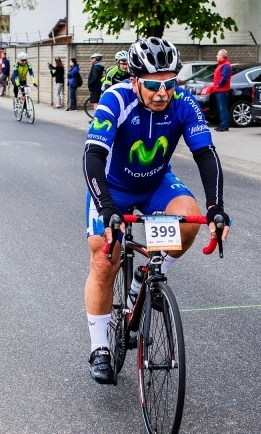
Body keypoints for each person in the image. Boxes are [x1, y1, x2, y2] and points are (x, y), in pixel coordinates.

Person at [83, 37, 231, 384]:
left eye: (169, 82)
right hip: (113, 188)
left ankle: (148, 274)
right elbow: (92, 156)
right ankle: (100, 346)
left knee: (190, 217)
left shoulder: (183, 103)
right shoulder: (115, 99)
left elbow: (205, 154)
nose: (162, 92)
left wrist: (216, 207)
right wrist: (106, 207)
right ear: (135, 81)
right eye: (152, 85)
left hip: (155, 184)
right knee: (105, 259)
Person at [211, 49, 231, 131]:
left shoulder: (225, 65)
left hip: (222, 90)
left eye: (218, 55)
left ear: (222, 56)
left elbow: (225, 77)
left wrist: (219, 85)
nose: (217, 56)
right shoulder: (221, 65)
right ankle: (222, 124)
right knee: (220, 108)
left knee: (223, 108)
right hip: (218, 90)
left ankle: (225, 125)